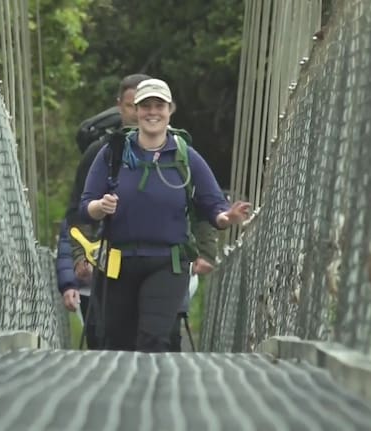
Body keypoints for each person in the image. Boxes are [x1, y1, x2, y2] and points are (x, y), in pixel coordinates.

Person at [77, 78, 251, 352]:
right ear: (136, 109)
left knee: (155, 339)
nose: (152, 112)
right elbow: (85, 205)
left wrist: (225, 218)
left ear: (170, 110)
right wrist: (100, 206)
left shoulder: (185, 156)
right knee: (115, 342)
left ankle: (154, 393)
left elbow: (213, 205)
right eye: (146, 106)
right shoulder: (113, 152)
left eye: (159, 105)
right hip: (117, 261)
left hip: (167, 263)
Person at [58, 73, 151, 349]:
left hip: (154, 264)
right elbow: (77, 212)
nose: (137, 113)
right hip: (107, 263)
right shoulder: (100, 154)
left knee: (153, 338)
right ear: (118, 106)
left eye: (143, 105)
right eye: (130, 105)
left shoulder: (175, 153)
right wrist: (78, 256)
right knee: (104, 337)